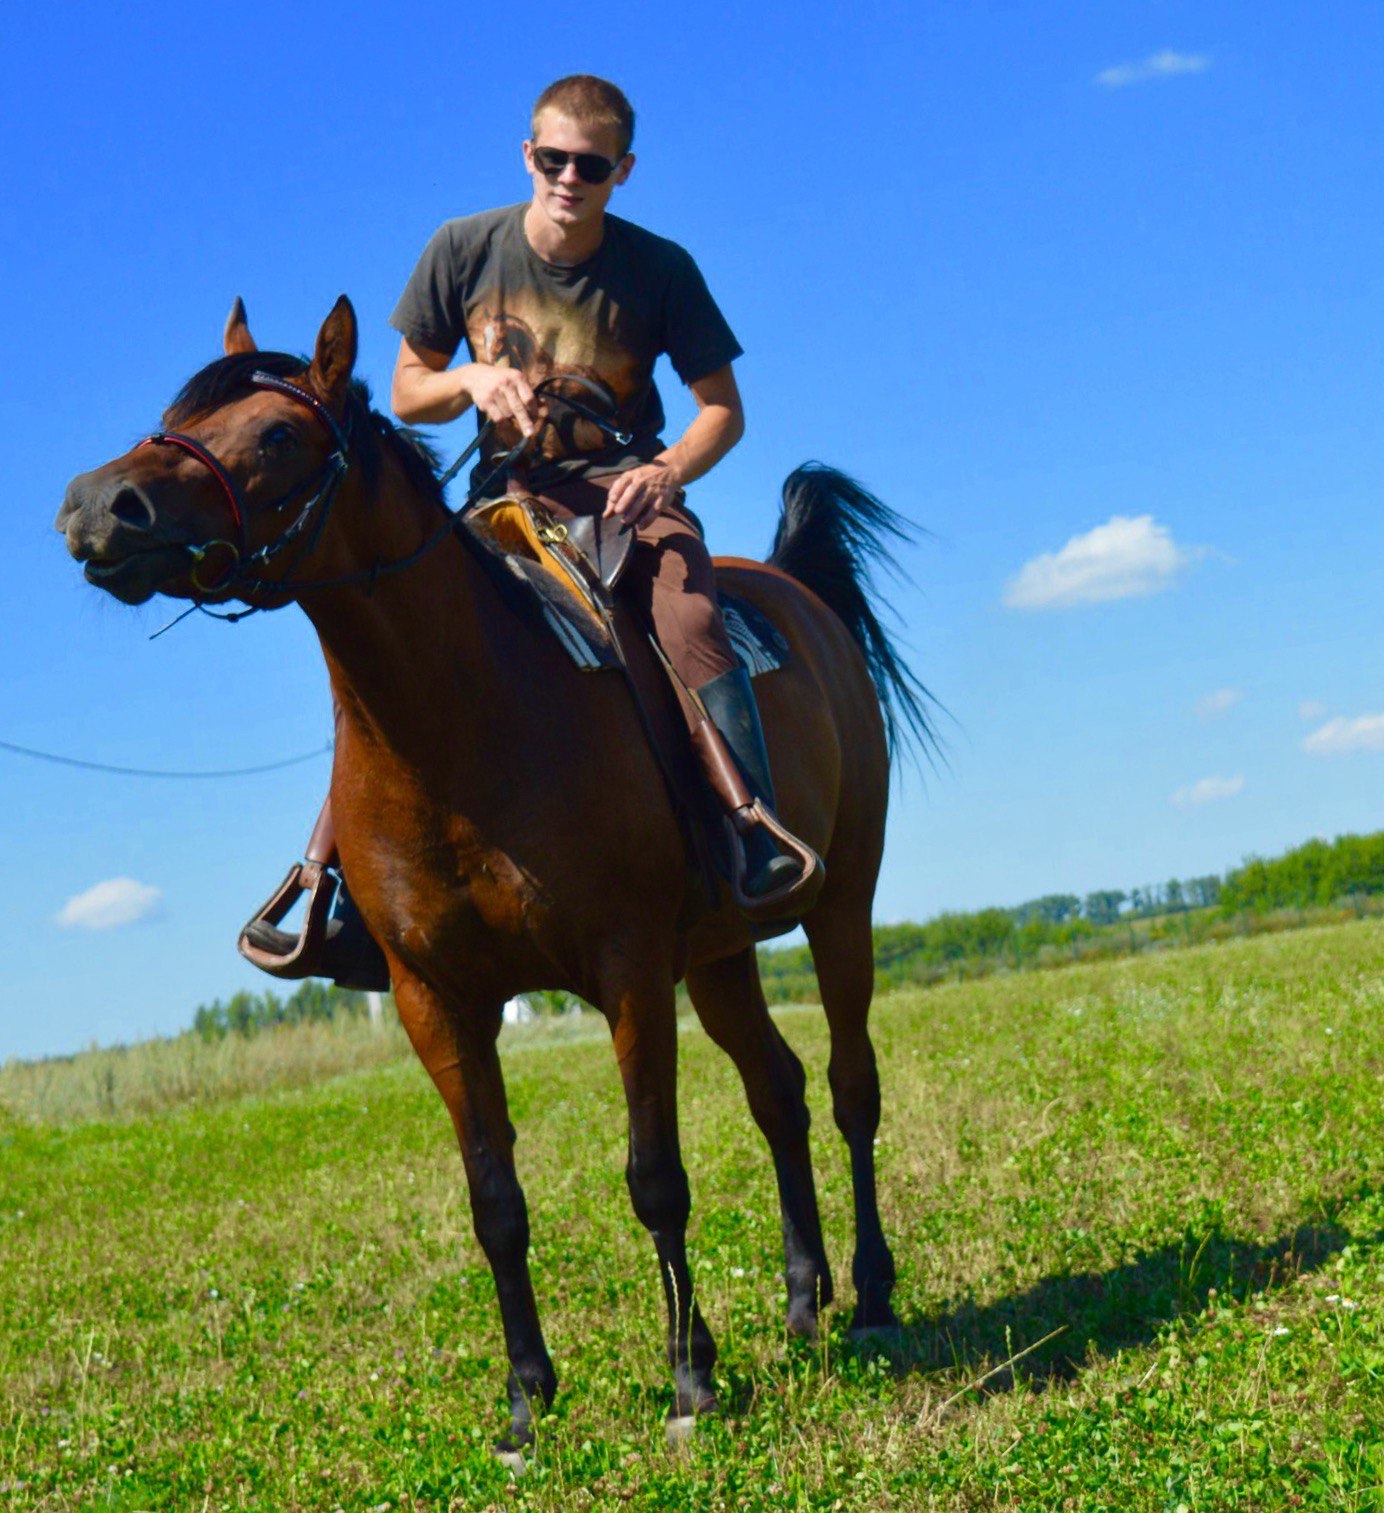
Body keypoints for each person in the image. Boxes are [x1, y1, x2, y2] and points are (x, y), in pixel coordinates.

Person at [241, 74, 819, 989]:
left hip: (622, 492)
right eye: (552, 159)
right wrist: (472, 382)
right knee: (397, 644)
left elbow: (723, 411)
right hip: (496, 499)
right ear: (528, 155)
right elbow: (404, 391)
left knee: (693, 622)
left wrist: (665, 471)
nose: (567, 179)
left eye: (589, 165)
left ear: (622, 170)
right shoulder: (462, 247)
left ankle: (749, 828)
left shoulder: (659, 269)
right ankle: (327, 882)